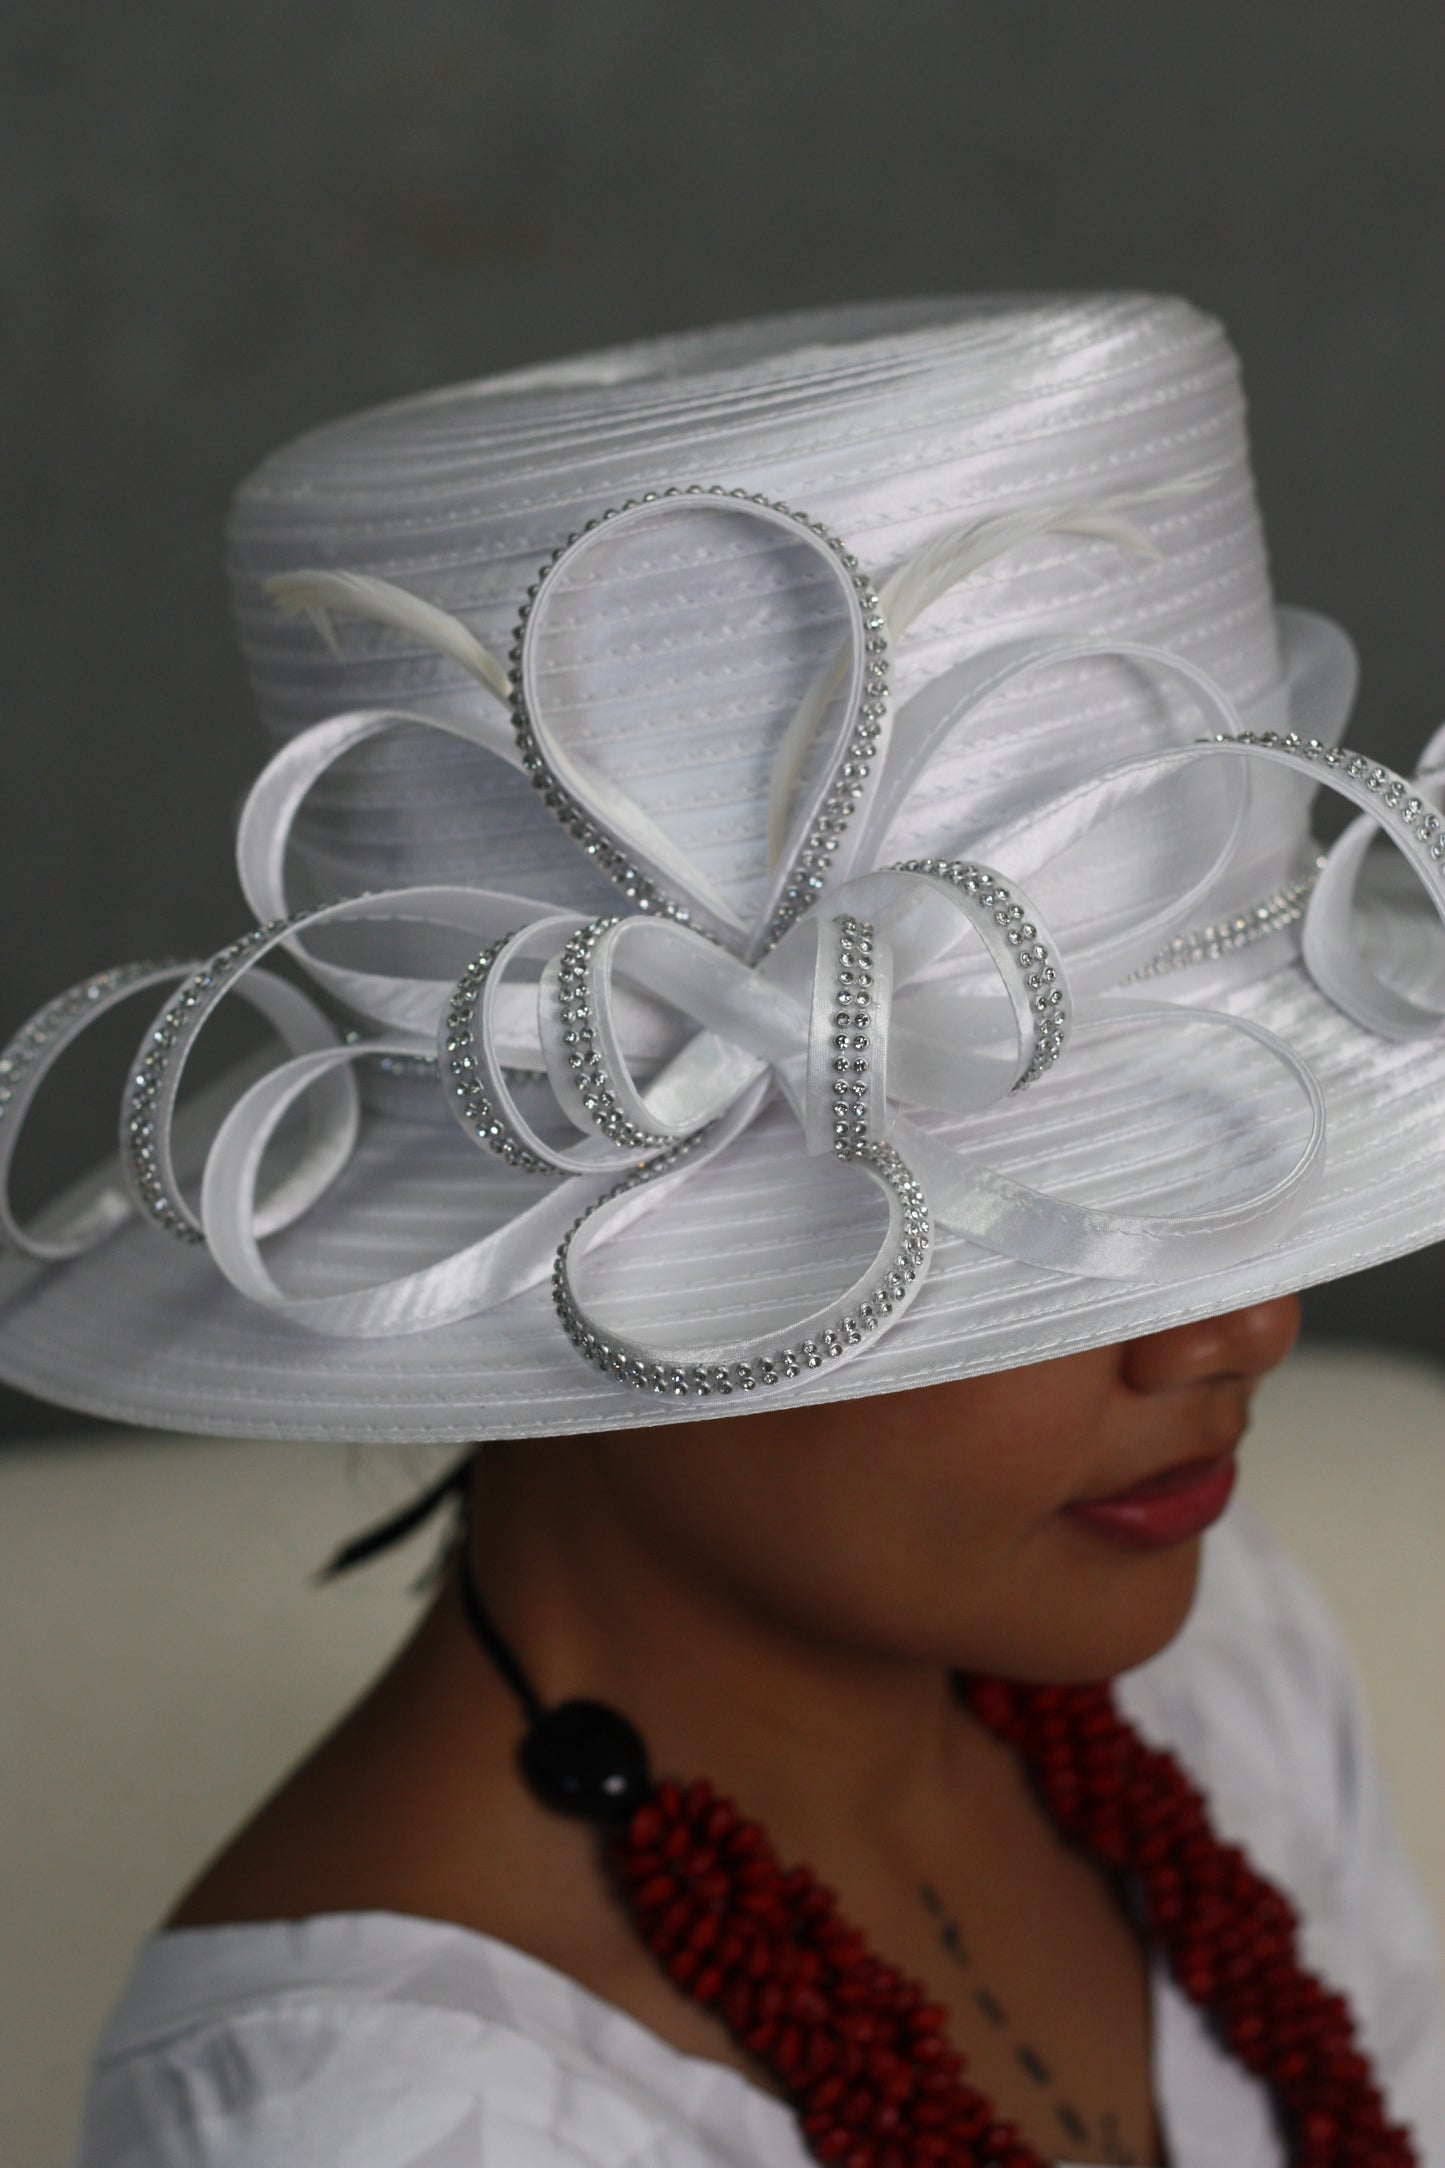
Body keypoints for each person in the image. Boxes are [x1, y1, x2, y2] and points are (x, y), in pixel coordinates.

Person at [2, 296, 1443, 2164]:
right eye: (1033, 1231)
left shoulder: (1207, 1669)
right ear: (604, 1244)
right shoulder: (368, 2125)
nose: (1235, 1335)